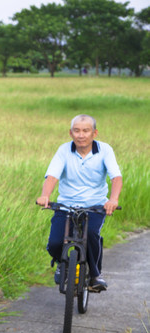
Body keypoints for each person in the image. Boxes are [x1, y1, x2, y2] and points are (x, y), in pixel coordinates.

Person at [36, 114, 122, 291]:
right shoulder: (64, 150)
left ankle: (95, 275)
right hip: (66, 205)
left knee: (91, 234)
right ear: (70, 133)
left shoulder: (105, 150)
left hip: (95, 205)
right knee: (55, 243)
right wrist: (45, 195)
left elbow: (116, 177)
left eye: (85, 131)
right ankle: (62, 263)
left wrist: (113, 200)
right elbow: (52, 176)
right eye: (76, 131)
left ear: (94, 133)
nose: (80, 135)